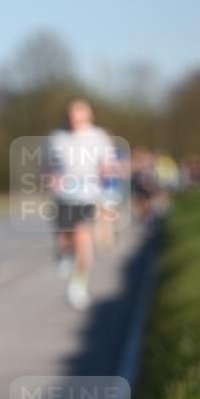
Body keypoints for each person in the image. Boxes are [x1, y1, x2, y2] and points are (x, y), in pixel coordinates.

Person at [44, 99, 115, 310]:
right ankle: (64, 253)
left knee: (83, 240)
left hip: (88, 195)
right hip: (63, 197)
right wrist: (49, 178)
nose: (75, 119)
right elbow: (44, 165)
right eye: (72, 115)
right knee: (66, 240)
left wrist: (106, 177)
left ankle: (78, 286)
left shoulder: (99, 137)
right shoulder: (56, 138)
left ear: (88, 116)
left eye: (80, 114)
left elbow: (108, 165)